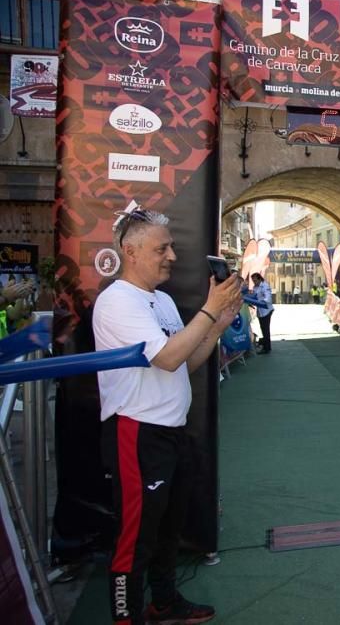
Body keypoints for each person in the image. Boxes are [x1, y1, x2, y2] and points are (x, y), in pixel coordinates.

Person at [93, 206, 242, 624]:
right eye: (162, 248)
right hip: (136, 432)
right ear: (131, 251)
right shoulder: (117, 301)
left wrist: (218, 323)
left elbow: (186, 360)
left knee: (167, 529)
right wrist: (210, 311)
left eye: (172, 247)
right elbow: (165, 358)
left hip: (169, 432)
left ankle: (163, 601)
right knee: (135, 537)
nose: (172, 256)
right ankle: (127, 617)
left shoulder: (160, 301)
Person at [251, 273, 274, 354]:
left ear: (260, 279)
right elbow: (254, 296)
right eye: (253, 280)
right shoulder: (255, 287)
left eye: (255, 280)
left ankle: (267, 348)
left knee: (265, 329)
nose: (254, 282)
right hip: (260, 311)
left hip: (267, 310)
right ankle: (266, 346)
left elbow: (268, 299)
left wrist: (259, 301)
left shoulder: (265, 286)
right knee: (263, 329)